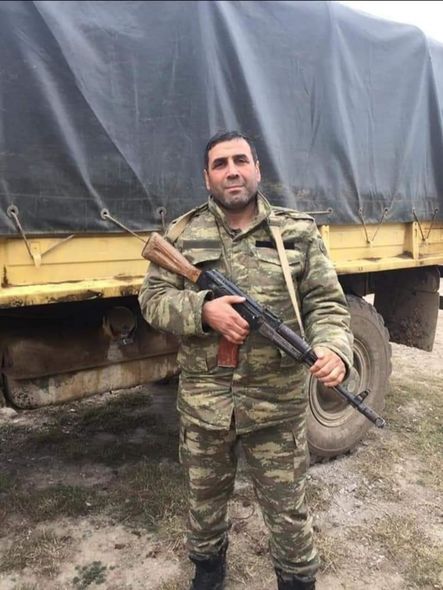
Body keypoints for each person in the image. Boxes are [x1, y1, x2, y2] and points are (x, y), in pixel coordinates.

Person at [138, 130, 353, 590]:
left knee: (288, 513)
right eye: (220, 164)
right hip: (205, 406)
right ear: (207, 177)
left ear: (257, 168)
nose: (231, 171)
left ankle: (297, 579)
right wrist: (202, 311)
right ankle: (208, 571)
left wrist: (334, 349)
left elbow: (327, 305)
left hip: (276, 407)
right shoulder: (183, 234)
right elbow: (152, 300)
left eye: (240, 160)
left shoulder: (297, 232)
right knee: (203, 504)